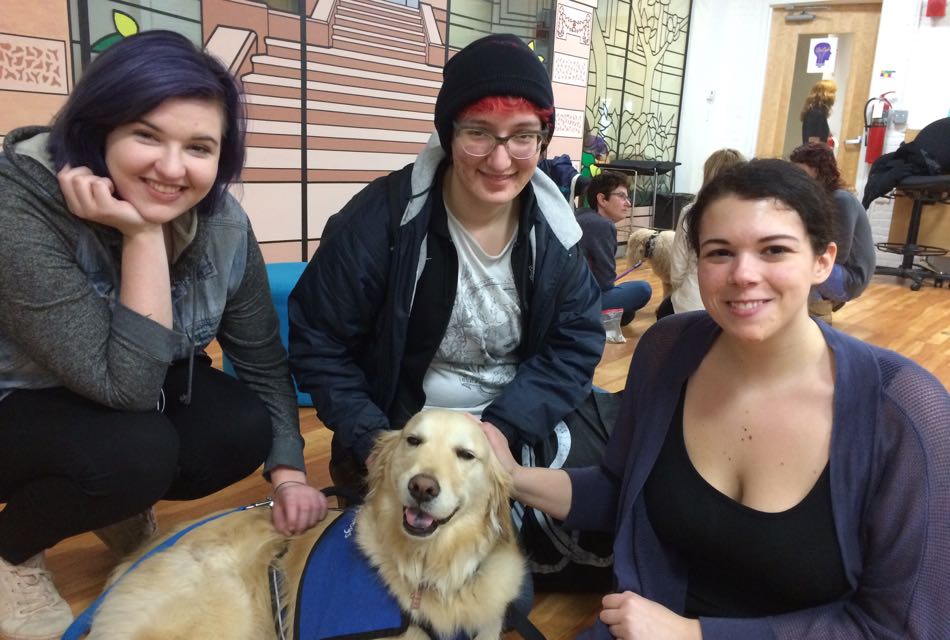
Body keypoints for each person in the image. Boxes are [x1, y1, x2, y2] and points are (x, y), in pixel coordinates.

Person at [484, 159, 950, 640]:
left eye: (774, 250)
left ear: (823, 260)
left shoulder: (905, 409)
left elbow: (899, 639)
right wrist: (508, 476)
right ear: (696, 261)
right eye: (720, 252)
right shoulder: (668, 351)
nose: (743, 275)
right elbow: (623, 489)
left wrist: (694, 639)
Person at [0, 31, 327, 640]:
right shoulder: (17, 204)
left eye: (198, 147)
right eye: (147, 135)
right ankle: (11, 553)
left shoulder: (224, 222)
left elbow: (259, 353)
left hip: (119, 394)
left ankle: (111, 503)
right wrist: (145, 237)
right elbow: (125, 387)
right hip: (18, 407)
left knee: (239, 425)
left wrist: (287, 472)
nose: (173, 168)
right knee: (135, 450)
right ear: (98, 130)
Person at [288, 33, 603, 499]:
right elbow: (319, 341)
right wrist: (376, 441)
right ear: (448, 132)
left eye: (522, 136)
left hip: (511, 430)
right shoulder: (381, 220)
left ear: (542, 140)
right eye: (478, 132)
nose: (500, 159)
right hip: (403, 434)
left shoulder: (557, 235)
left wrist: (504, 427)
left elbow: (575, 344)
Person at [790, 142, 875, 314]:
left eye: (801, 173)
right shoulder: (820, 199)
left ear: (819, 171)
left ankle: (818, 309)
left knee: (795, 261)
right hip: (838, 272)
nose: (797, 178)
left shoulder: (840, 200)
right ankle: (817, 303)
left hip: (850, 278)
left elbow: (839, 255)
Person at [660, 148, 746, 318]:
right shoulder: (751, 215)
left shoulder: (691, 212)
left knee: (664, 313)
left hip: (691, 303)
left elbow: (677, 272)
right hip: (737, 306)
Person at [576, 171, 653, 325]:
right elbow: (605, 282)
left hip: (566, 297)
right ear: (602, 199)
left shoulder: (581, 216)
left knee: (627, 312)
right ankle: (593, 319)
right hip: (577, 303)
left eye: (628, 197)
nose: (628, 203)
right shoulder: (602, 225)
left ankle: (606, 317)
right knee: (643, 289)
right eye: (622, 196)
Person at [800, 79, 836, 145]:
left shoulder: (815, 112)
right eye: (833, 93)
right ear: (827, 95)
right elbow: (813, 144)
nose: (835, 97)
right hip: (815, 154)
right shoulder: (816, 114)